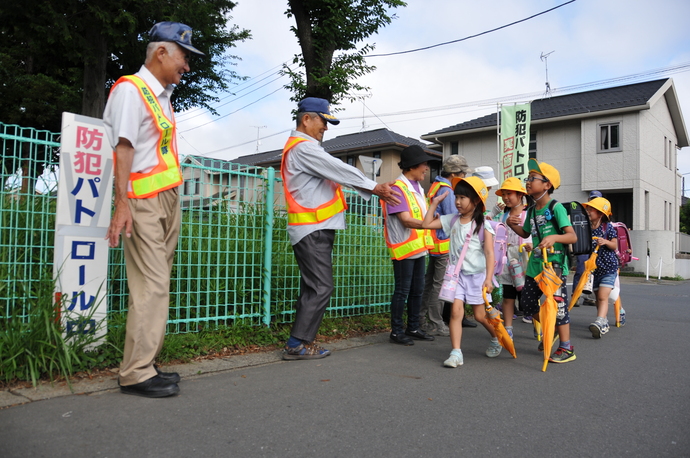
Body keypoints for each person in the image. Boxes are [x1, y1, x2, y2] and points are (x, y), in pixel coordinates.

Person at [103, 22, 205, 397]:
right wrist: (122, 204)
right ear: (161, 52)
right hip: (143, 200)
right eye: (184, 57)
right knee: (153, 284)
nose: (187, 67)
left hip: (165, 197)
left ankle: (145, 362)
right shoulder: (131, 89)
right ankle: (135, 372)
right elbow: (123, 148)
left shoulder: (161, 96)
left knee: (153, 285)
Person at [280, 97, 401, 360]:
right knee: (321, 287)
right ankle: (298, 344)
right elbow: (339, 169)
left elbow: (335, 173)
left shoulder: (303, 148)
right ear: (307, 119)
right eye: (324, 121)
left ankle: (299, 341)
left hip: (314, 227)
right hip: (312, 229)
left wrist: (371, 187)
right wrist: (374, 187)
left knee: (313, 287)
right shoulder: (304, 149)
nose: (326, 127)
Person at [506, 159, 578, 364]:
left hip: (554, 267)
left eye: (533, 179)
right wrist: (512, 226)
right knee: (527, 303)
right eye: (528, 178)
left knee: (558, 307)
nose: (528, 182)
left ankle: (566, 348)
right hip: (535, 266)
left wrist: (555, 237)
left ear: (547, 185)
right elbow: (526, 232)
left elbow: (572, 236)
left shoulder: (556, 208)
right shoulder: (530, 210)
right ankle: (552, 328)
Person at [423, 176, 500, 367]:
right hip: (456, 277)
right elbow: (426, 224)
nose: (457, 201)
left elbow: (490, 253)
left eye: (462, 198)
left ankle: (496, 337)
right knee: (455, 313)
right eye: (456, 197)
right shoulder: (452, 220)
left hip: (477, 278)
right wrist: (434, 204)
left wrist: (489, 279)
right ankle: (456, 353)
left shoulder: (484, 225)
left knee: (481, 316)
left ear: (475, 201)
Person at [382, 145, 438, 345]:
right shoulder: (398, 188)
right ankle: (396, 331)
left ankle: (413, 327)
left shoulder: (416, 188)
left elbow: (419, 217)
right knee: (403, 291)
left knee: (417, 290)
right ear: (412, 166)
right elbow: (406, 220)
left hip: (418, 248)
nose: (426, 168)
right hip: (404, 249)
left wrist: (432, 217)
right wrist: (429, 223)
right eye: (424, 164)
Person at [419, 155, 473, 336]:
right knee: (439, 285)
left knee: (429, 284)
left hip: (433, 242)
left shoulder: (435, 185)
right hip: (443, 244)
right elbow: (454, 218)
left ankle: (420, 319)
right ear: (456, 173)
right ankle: (436, 322)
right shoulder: (448, 191)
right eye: (463, 173)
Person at [494, 177, 532, 339]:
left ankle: (541, 325)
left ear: (520, 195)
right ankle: (508, 328)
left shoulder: (529, 213)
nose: (506, 197)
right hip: (507, 260)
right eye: (504, 194)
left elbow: (534, 234)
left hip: (525, 259)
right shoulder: (504, 216)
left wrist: (531, 245)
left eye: (509, 194)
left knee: (528, 296)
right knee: (508, 296)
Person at [581, 197, 619, 338]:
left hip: (609, 267)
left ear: (601, 213)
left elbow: (615, 245)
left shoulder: (608, 228)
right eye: (588, 209)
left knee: (603, 297)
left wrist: (605, 242)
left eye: (591, 209)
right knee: (598, 298)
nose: (588, 211)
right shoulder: (586, 228)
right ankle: (603, 321)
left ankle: (599, 321)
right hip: (594, 269)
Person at [573, 190, 603, 306]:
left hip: (597, 249)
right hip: (584, 247)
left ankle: (589, 297)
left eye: (597, 199)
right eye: (592, 199)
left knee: (594, 272)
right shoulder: (582, 214)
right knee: (581, 270)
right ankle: (575, 296)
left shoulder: (602, 216)